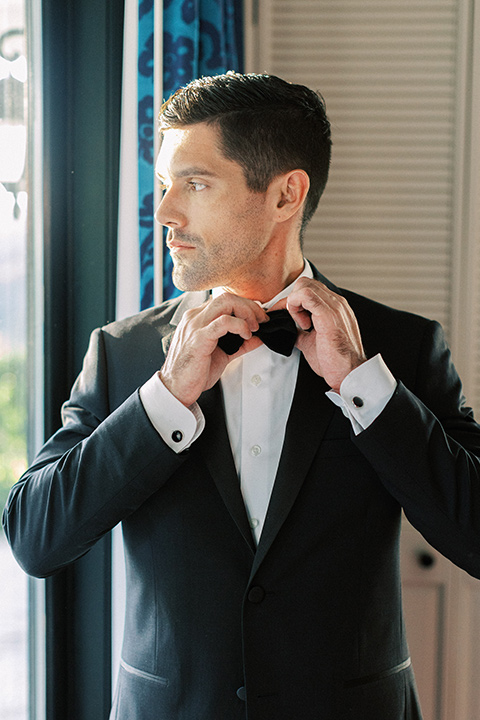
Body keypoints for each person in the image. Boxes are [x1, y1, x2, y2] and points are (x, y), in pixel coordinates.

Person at [3, 72, 480, 720]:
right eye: (164, 185)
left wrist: (365, 386)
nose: (165, 212)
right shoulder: (124, 355)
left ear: (286, 193)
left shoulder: (401, 347)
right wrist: (169, 394)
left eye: (195, 184)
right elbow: (35, 536)